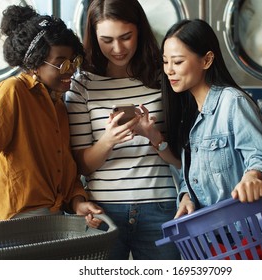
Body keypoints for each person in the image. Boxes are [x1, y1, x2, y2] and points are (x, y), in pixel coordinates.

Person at [0, 5, 103, 235]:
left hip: (55, 220)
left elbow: (66, 170)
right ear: (35, 62)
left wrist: (79, 203)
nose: (70, 70)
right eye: (61, 62)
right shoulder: (12, 92)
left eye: (73, 61)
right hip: (17, 223)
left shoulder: (58, 104)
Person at [65, 0, 181, 260]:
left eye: (126, 37)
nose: (117, 49)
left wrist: (154, 137)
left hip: (160, 205)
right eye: (107, 40)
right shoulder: (82, 83)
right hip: (103, 209)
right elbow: (82, 166)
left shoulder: (162, 76)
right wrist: (108, 140)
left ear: (140, 29)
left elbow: (183, 155)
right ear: (94, 37)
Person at [160, 19, 262, 218]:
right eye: (165, 61)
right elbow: (191, 177)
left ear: (207, 60)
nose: (169, 70)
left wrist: (253, 175)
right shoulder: (188, 114)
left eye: (178, 61)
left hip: (244, 234)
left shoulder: (232, 103)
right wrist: (186, 197)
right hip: (209, 237)